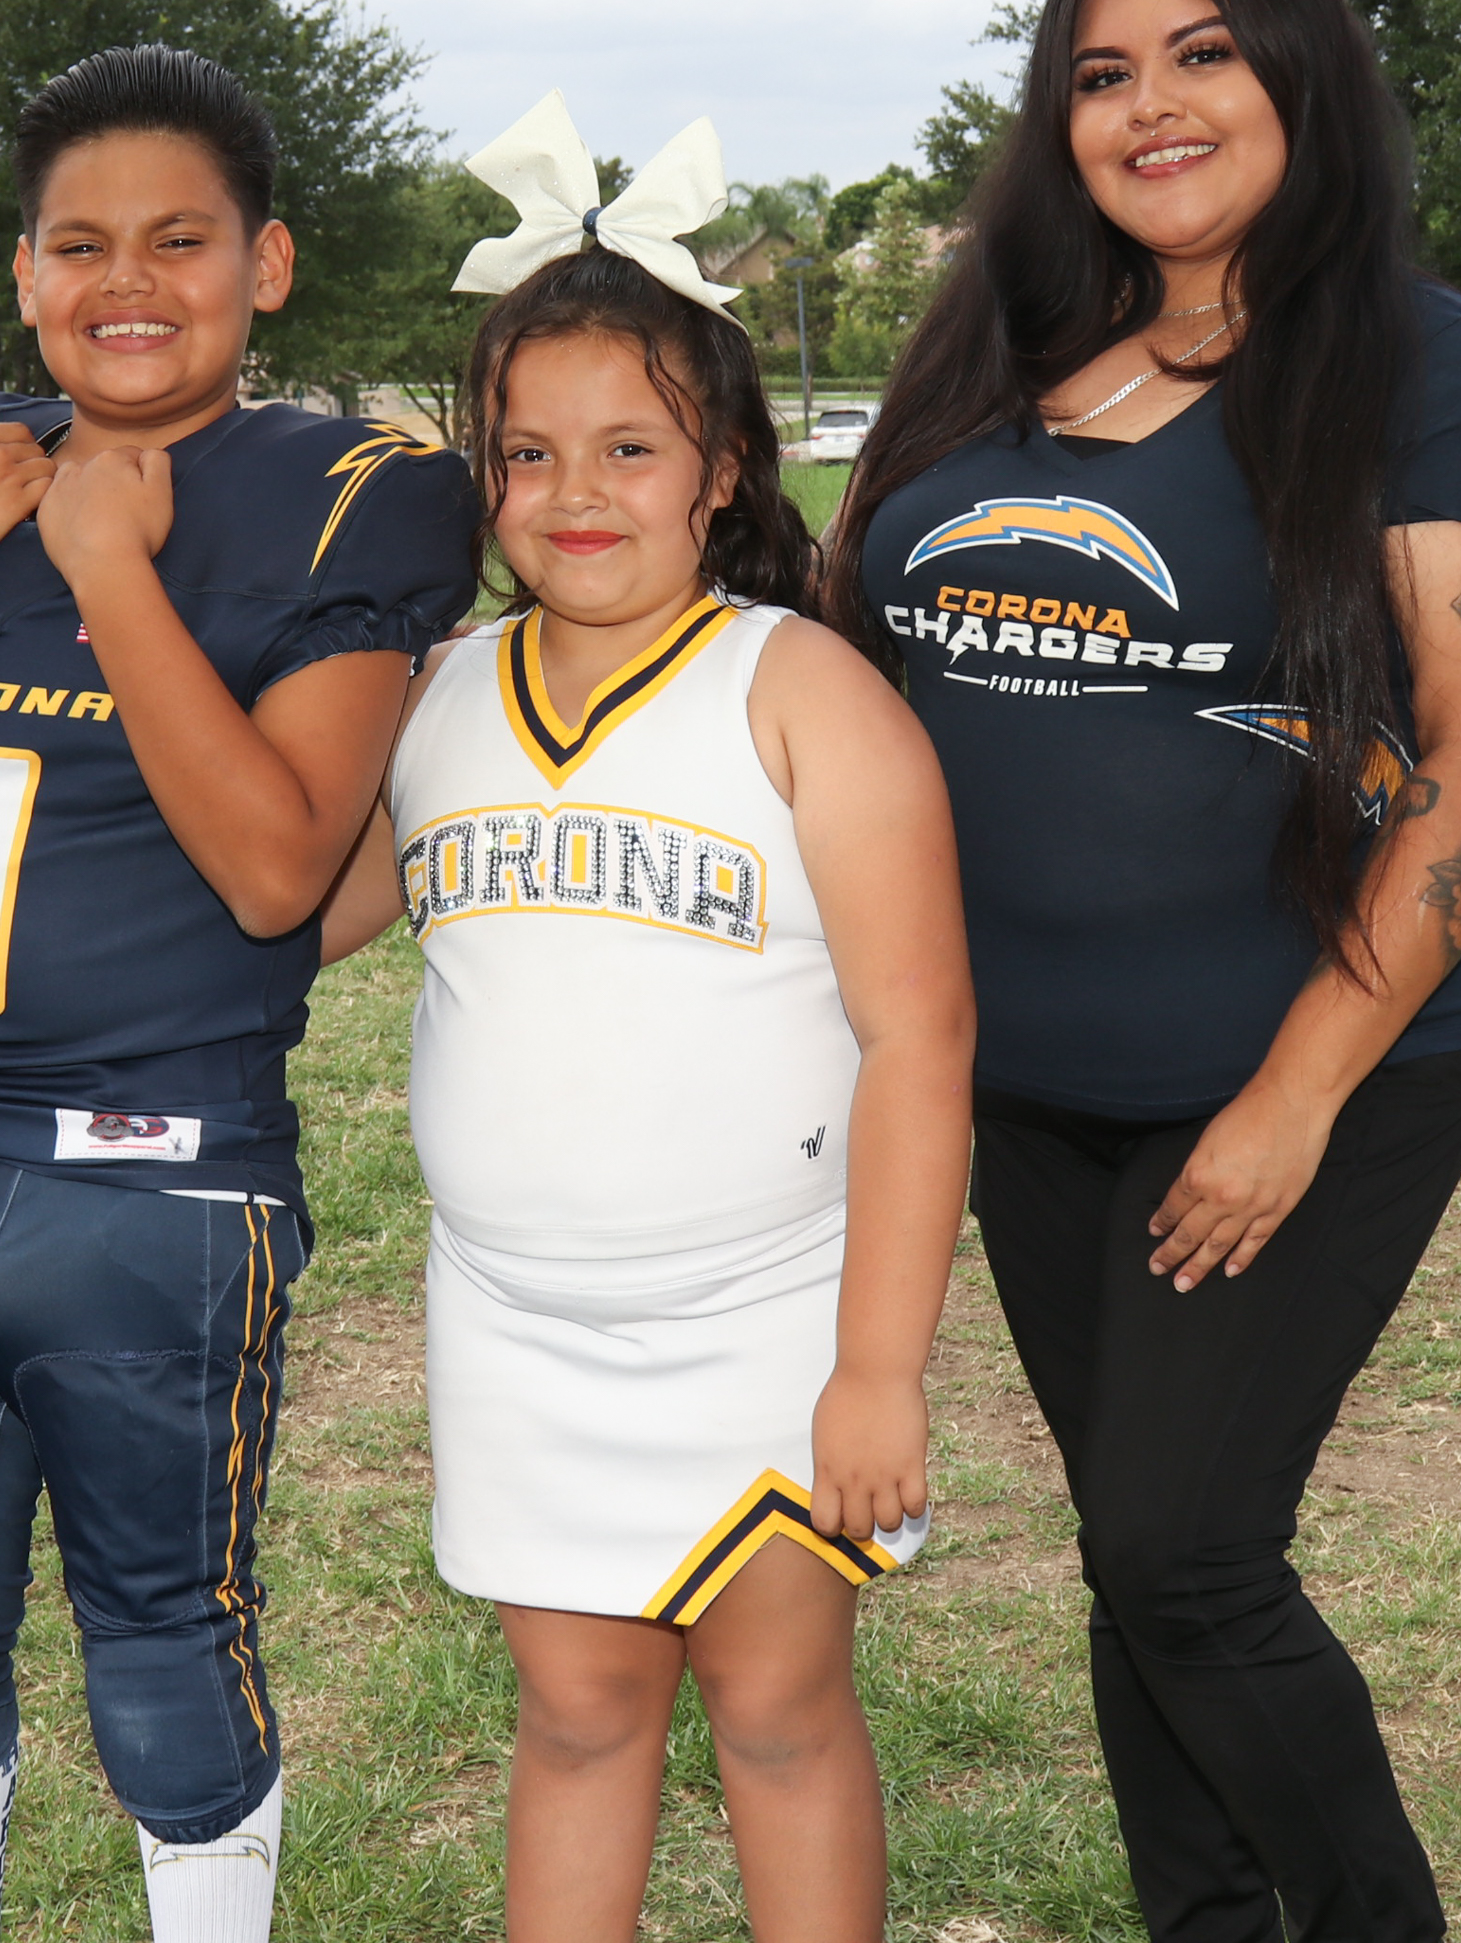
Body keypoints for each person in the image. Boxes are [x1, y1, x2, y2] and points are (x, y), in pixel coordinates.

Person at [819, 0, 1461, 1943]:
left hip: (1313, 1060)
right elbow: (844, 651)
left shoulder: (1426, 363)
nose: (1147, 106)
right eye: (1100, 73)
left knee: (1181, 1549)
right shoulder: (994, 347)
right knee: (1133, 1547)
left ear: (1297, 76)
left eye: (1200, 55)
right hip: (1018, 1080)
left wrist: (1289, 1098)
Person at [0, 44, 476, 1943]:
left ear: (266, 264)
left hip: (158, 1175)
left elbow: (278, 869)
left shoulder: (346, 498)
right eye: (80, 245)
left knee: (162, 1640)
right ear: (25, 270)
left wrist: (109, 572)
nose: (127, 283)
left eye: (179, 240)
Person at [319, 97, 976, 1943]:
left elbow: (922, 1042)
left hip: (768, 1317)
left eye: (629, 447)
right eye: (527, 454)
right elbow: (291, 915)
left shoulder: (803, 693)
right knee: (578, 1717)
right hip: (514, 1316)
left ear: (722, 466)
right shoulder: (441, 693)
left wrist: (879, 1367)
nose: (575, 493)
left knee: (776, 1715)